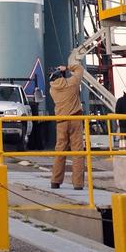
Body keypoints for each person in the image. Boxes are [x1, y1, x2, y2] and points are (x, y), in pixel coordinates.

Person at [49, 61, 85, 190]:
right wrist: (67, 68)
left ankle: (55, 181)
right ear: (62, 75)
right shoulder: (72, 84)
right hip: (75, 119)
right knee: (77, 152)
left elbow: (60, 82)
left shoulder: (52, 89)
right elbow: (80, 69)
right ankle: (78, 184)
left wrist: (61, 74)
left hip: (61, 121)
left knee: (60, 151)